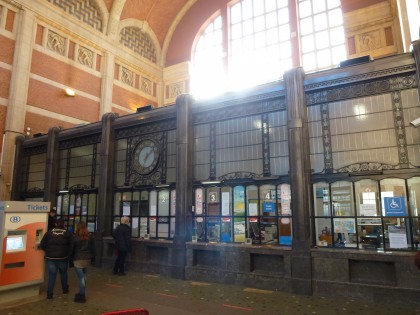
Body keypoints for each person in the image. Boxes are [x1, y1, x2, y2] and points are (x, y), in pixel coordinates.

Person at [40, 218, 73, 299]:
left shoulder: (49, 233)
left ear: (55, 224)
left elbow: (42, 244)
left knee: (52, 275)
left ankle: (50, 294)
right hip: (63, 257)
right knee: (63, 274)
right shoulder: (67, 233)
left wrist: (47, 251)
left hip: (50, 258)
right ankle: (65, 290)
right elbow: (71, 246)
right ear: (64, 224)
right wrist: (68, 255)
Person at [70, 221, 95, 303]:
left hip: (78, 259)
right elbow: (93, 248)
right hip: (87, 259)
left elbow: (72, 249)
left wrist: (70, 258)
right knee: (84, 276)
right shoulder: (90, 237)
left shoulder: (75, 237)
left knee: (81, 278)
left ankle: (82, 295)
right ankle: (81, 292)